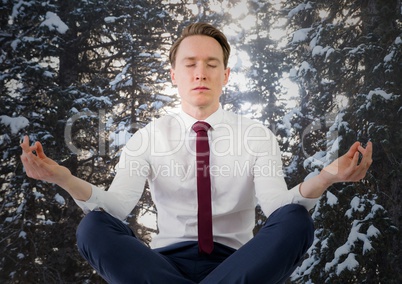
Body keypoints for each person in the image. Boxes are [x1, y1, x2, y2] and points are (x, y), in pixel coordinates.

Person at [20, 23, 373, 283]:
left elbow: (278, 208)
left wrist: (327, 177)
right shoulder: (148, 137)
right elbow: (115, 208)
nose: (200, 72)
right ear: (174, 74)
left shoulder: (256, 135)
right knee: (94, 225)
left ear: (226, 75)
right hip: (161, 268)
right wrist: (63, 178)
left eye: (211, 63)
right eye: (190, 63)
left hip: (239, 265)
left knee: (296, 220)